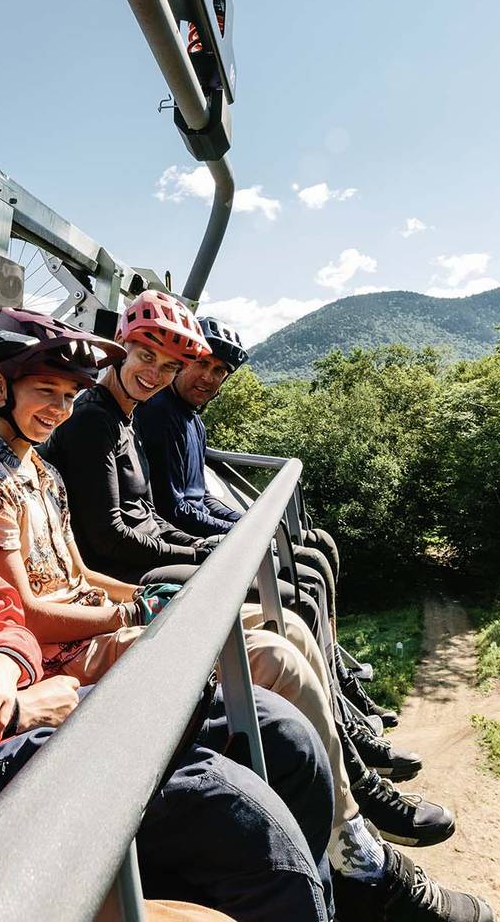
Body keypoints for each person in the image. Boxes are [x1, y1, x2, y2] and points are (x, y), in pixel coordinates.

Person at [0, 294, 341, 920]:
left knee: (282, 737)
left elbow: (6, 613)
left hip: (35, 715)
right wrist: (14, 712)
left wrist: (1, 671)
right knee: (242, 830)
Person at [0, 309, 488, 908]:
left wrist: (147, 598)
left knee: (281, 646)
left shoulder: (41, 469)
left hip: (96, 622)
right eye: (45, 392)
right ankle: (349, 840)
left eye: (69, 394)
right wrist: (132, 615)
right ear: (0, 388)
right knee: (261, 655)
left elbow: (77, 573)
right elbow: (24, 613)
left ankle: (348, 809)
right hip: (65, 655)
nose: (59, 407)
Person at [135, 315, 402, 735]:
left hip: (202, 531)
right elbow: (174, 508)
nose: (208, 377)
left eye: (219, 371)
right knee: (305, 592)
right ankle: (338, 717)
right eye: (202, 364)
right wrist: (242, 537)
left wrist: (252, 521)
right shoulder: (159, 416)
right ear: (181, 362)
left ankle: (339, 684)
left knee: (319, 551)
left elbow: (200, 496)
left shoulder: (192, 420)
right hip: (183, 543)